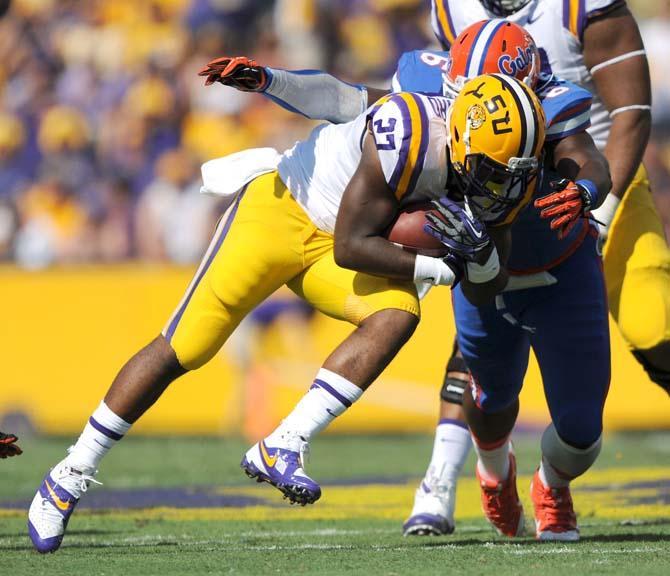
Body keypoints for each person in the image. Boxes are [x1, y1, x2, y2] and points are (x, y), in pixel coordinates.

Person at [27, 73, 546, 553]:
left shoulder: (501, 167)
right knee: (184, 346)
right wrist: (445, 268)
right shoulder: (408, 133)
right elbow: (351, 246)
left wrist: (482, 261)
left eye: (510, 173)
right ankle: (68, 474)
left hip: (335, 244)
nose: (500, 185)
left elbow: (487, 288)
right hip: (283, 211)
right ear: (458, 140)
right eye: (491, 171)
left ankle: (284, 443)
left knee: (396, 313)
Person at [204, 17, 612, 541]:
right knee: (489, 402)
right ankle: (493, 474)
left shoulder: (554, 105)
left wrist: (584, 190)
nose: (475, 109)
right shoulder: (429, 89)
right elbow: (345, 100)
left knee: (581, 430)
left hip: (558, 265)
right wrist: (272, 83)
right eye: (466, 94)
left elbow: (586, 157)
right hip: (477, 262)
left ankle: (552, 485)